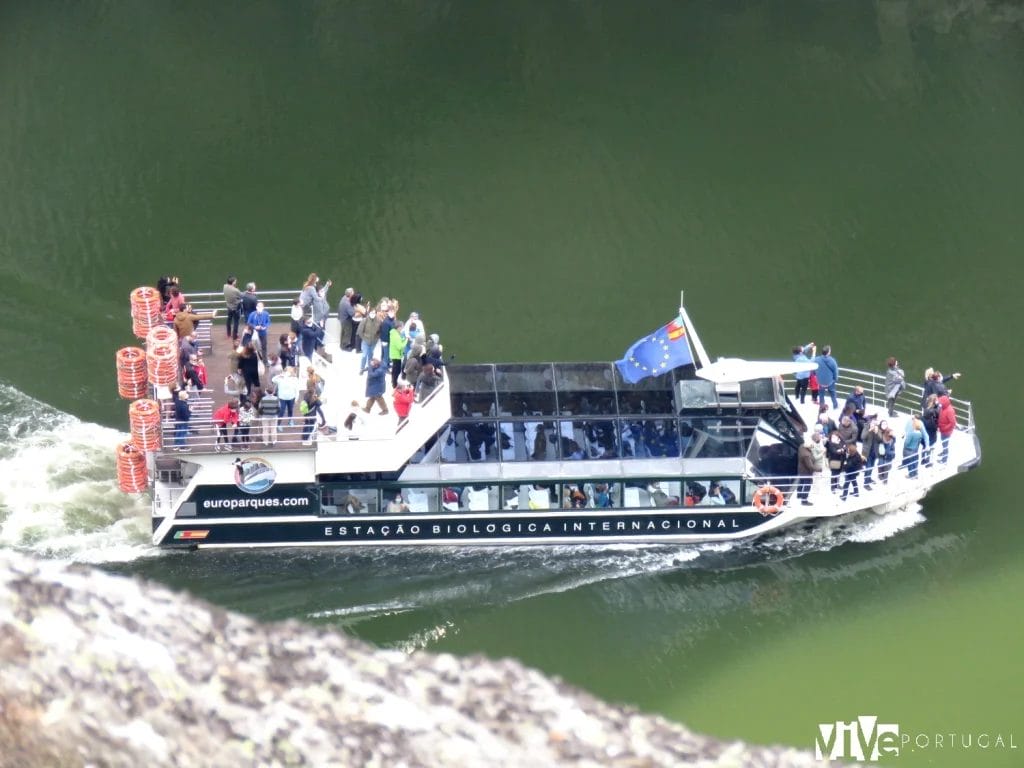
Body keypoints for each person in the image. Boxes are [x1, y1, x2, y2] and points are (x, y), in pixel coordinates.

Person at [813, 345, 839, 410]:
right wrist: (835, 379)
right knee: (832, 393)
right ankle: (835, 406)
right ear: (828, 352)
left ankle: (822, 407)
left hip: (820, 381)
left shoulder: (817, 359)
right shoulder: (832, 361)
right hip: (830, 382)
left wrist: (815, 374)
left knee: (821, 394)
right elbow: (835, 371)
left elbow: (813, 369)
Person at [357, 308, 382, 373]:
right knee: (364, 355)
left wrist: (376, 339)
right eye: (371, 313)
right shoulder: (365, 320)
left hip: (373, 342)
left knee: (370, 355)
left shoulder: (379, 321)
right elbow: (360, 331)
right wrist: (364, 338)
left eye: (374, 313)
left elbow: (379, 332)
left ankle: (370, 367)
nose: (372, 314)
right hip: (365, 341)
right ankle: (361, 368)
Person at [796, 434, 818, 505]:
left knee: (801, 481)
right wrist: (819, 469)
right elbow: (810, 466)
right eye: (812, 445)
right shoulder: (806, 455)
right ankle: (804, 500)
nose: (813, 446)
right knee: (807, 484)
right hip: (806, 471)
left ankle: (799, 494)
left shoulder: (801, 446)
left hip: (801, 469)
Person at [861, 416, 882, 488]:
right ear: (870, 422)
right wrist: (869, 430)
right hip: (867, 452)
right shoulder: (866, 427)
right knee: (868, 467)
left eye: (875, 422)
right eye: (873, 422)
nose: (874, 424)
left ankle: (868, 478)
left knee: (872, 466)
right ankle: (866, 483)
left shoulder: (878, 429)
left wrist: (876, 433)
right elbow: (862, 437)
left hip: (874, 452)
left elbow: (880, 440)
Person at [920, 394, 940, 467]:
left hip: (924, 430)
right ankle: (928, 462)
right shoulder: (933, 411)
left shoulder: (926, 407)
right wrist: (938, 406)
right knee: (930, 446)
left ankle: (923, 459)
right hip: (931, 432)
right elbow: (938, 413)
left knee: (924, 445)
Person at [937, 394, 957, 464]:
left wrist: (944, 428)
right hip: (943, 430)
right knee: (943, 442)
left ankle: (944, 460)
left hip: (946, 432)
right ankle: (943, 452)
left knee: (945, 444)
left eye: (940, 402)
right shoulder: (943, 408)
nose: (939, 404)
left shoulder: (949, 411)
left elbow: (953, 423)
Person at [223, 275, 243, 342]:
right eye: (235, 281)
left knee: (229, 320)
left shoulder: (225, 286)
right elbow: (241, 296)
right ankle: (235, 336)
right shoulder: (235, 290)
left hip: (229, 307)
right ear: (233, 282)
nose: (236, 282)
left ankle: (228, 334)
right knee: (236, 322)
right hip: (235, 308)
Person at [389, 320, 406, 388]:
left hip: (394, 354)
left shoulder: (394, 333)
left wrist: (403, 339)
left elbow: (399, 341)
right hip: (396, 356)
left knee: (394, 369)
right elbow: (400, 346)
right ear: (398, 328)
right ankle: (394, 384)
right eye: (402, 327)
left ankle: (392, 380)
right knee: (397, 371)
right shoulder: (396, 336)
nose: (402, 329)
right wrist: (406, 340)